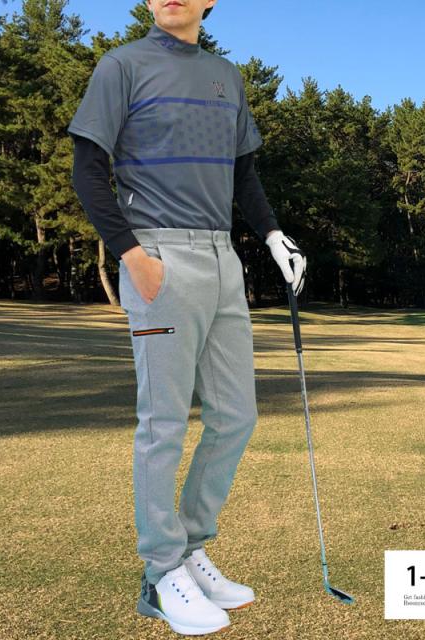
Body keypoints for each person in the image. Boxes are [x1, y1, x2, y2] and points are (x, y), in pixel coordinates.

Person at [68, 0, 306, 635]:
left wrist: (273, 234)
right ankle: (160, 571)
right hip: (158, 256)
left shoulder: (226, 76)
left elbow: (244, 175)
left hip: (223, 258)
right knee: (164, 423)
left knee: (236, 416)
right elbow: (88, 169)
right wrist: (132, 255)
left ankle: (192, 548)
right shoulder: (122, 66)